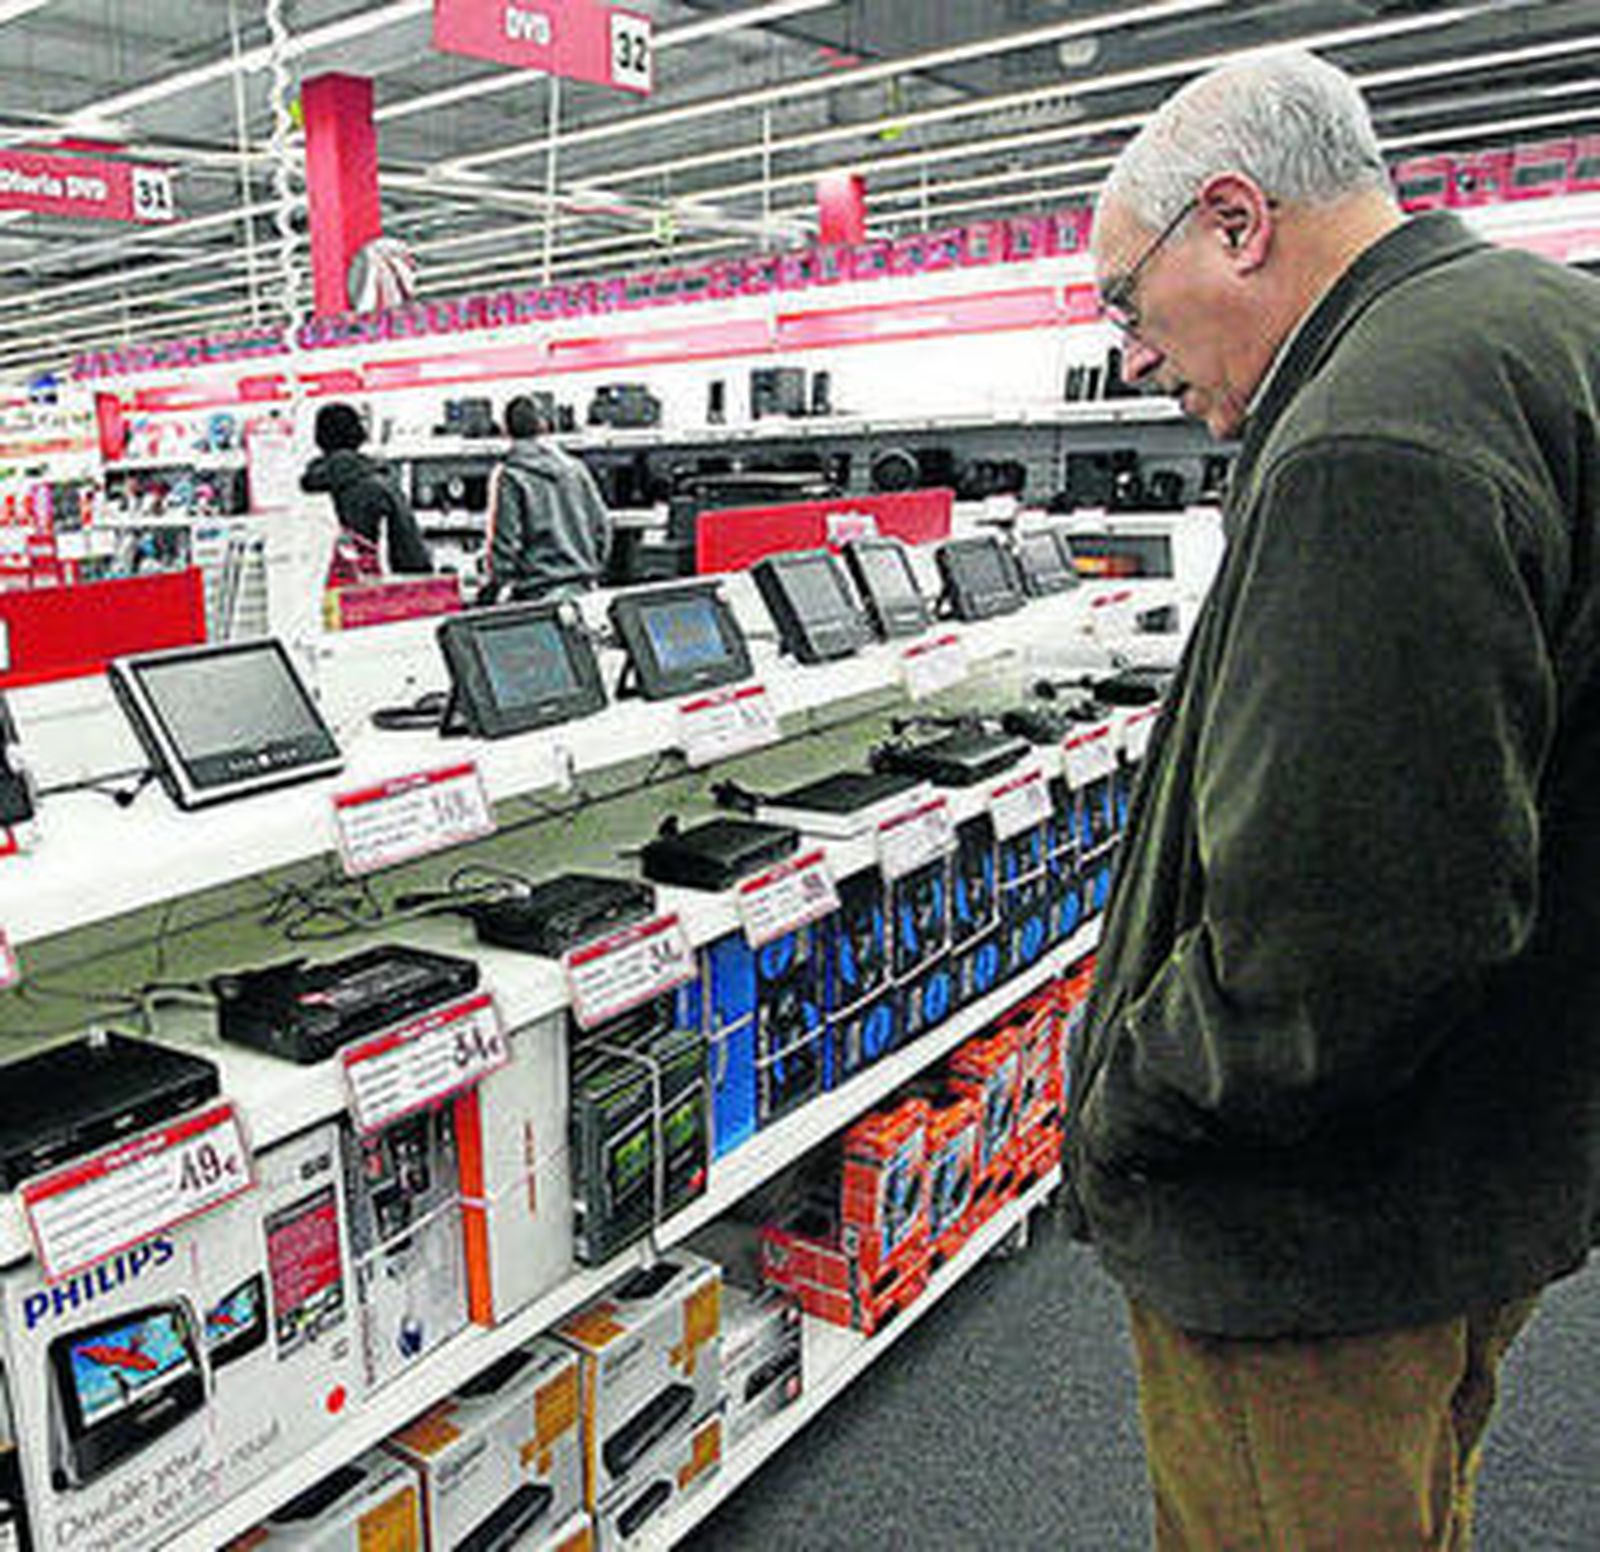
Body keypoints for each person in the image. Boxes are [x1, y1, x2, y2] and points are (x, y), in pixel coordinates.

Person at [1071, 48, 1600, 1550]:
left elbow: (1351, 937)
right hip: (1479, 1167)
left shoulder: (1375, 437)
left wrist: (1134, 1103)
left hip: (1317, 1243)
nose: (1127, 356)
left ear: (1236, 223)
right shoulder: (1542, 329)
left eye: (1125, 298)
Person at [483, 394, 612, 602]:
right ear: (544, 426)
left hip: (538, 597)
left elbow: (505, 544)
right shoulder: (576, 470)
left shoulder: (510, 475)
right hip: (584, 590)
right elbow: (602, 530)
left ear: (505, 430)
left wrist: (494, 586)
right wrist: (591, 568)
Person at [300, 401, 432, 576]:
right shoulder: (381, 483)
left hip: (343, 587)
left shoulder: (314, 488)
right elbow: (410, 553)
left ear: (319, 438)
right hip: (390, 585)